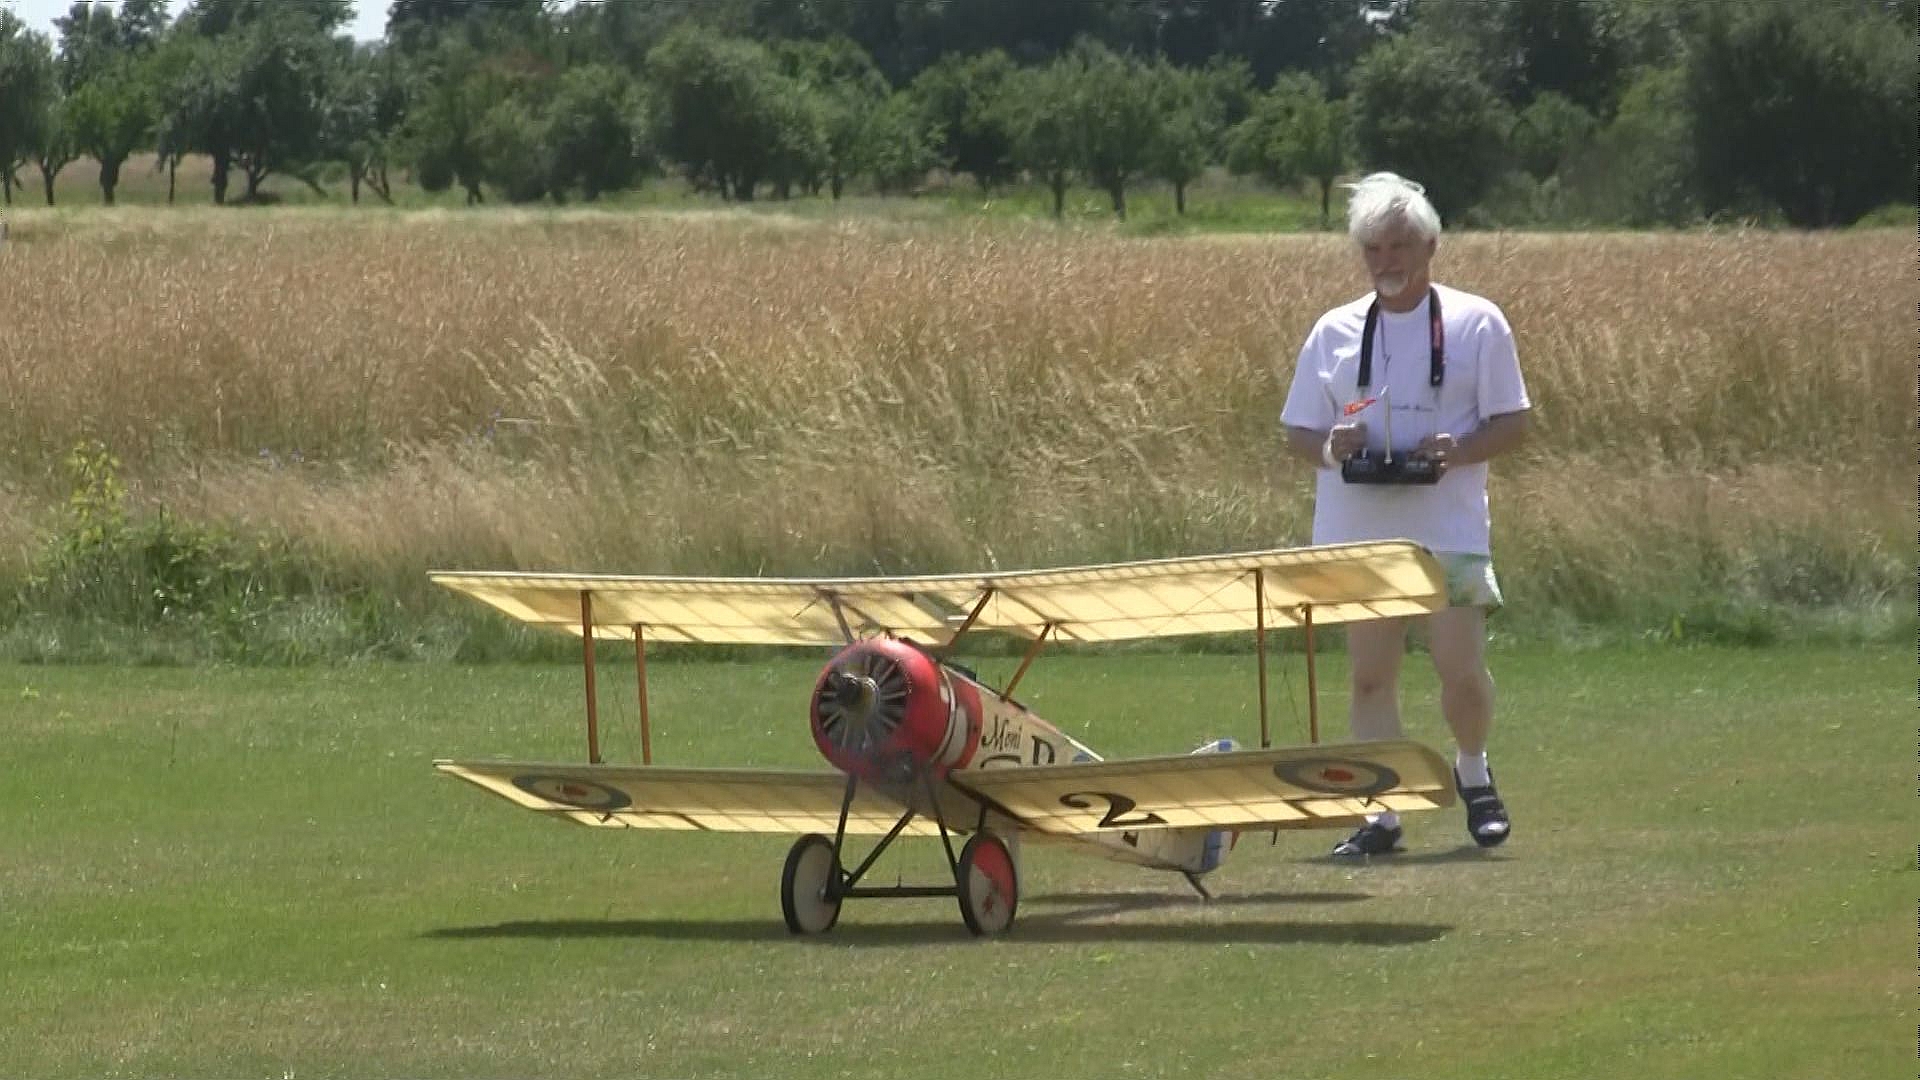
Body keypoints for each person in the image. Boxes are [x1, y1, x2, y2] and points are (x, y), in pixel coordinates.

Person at [1279, 172, 1531, 855]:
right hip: (1357, 530)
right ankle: (1379, 810)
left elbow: (1515, 421)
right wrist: (1332, 449)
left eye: (1398, 246)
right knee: (1368, 675)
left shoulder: (1479, 322)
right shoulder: (1333, 330)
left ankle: (1473, 772)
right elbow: (1300, 429)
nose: (1386, 261)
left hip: (1446, 525)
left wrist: (1460, 450)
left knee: (1460, 667)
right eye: (1373, 249)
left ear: (1430, 246)